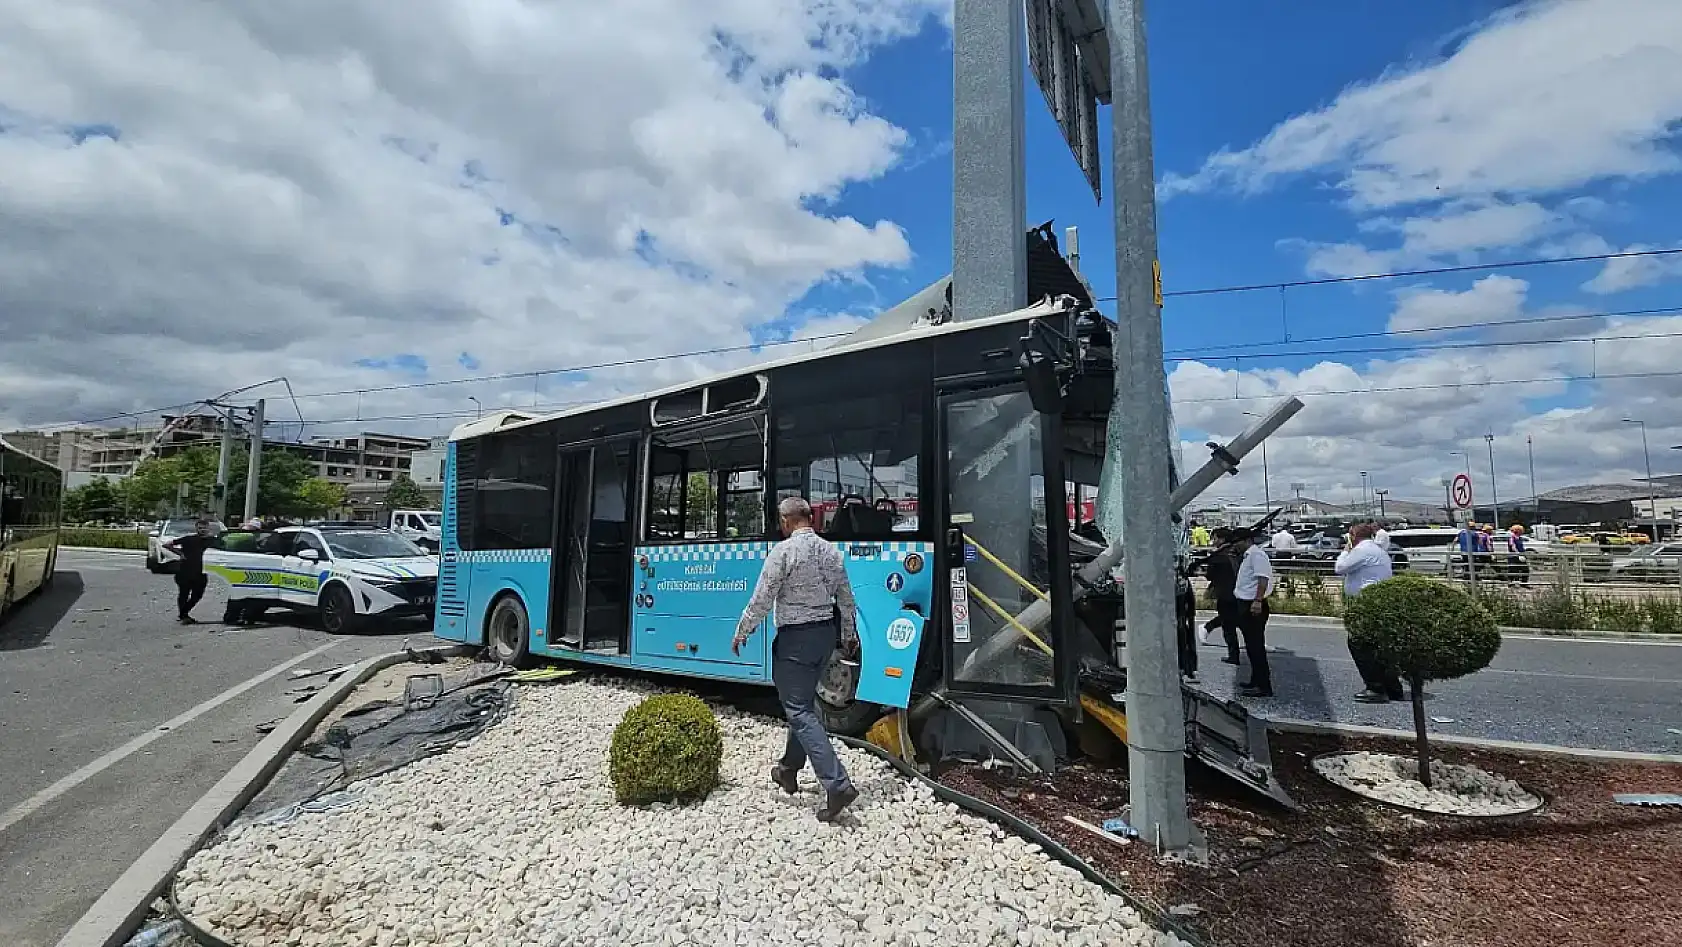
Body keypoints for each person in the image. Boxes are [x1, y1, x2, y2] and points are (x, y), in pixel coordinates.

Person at [733, 496, 861, 822]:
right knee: (806, 702)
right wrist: (848, 636)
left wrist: (742, 631)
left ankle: (837, 784)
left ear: (786, 521)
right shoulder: (832, 553)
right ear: (810, 518)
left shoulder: (784, 552)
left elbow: (762, 597)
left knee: (799, 709)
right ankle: (789, 769)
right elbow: (846, 598)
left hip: (796, 640)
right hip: (824, 636)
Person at [1336, 522, 1401, 703]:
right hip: (1378, 600)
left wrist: (1346, 549)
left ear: (1353, 535)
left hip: (1366, 602)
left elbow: (1339, 568)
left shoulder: (1361, 550)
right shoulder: (1378, 550)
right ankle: (1393, 687)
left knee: (1359, 644)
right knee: (1377, 646)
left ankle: (1375, 687)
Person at [1230, 528, 1275, 697]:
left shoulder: (1257, 555)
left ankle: (1264, 686)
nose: (1236, 546)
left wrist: (1257, 601)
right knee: (1251, 646)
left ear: (1246, 540)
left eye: (1237, 542)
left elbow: (1262, 579)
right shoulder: (1248, 556)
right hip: (1245, 604)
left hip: (1253, 605)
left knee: (1256, 647)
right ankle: (1255, 680)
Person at [1195, 528, 1243, 666]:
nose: (1213, 541)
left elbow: (1210, 575)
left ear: (1221, 539)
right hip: (1240, 592)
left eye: (1215, 538)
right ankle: (1207, 627)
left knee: (1228, 625)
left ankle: (1233, 655)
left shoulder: (1217, 556)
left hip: (1225, 593)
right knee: (1235, 619)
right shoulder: (1236, 553)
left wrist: (1201, 571)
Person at [164, 517, 221, 624]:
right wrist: (180, 553)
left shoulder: (212, 541)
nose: (202, 530)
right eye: (200, 528)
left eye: (204, 528)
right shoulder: (188, 539)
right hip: (185, 570)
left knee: (197, 595)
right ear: (196, 528)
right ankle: (183, 615)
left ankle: (183, 613)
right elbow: (167, 544)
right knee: (183, 593)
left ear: (208, 528)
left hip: (201, 572)